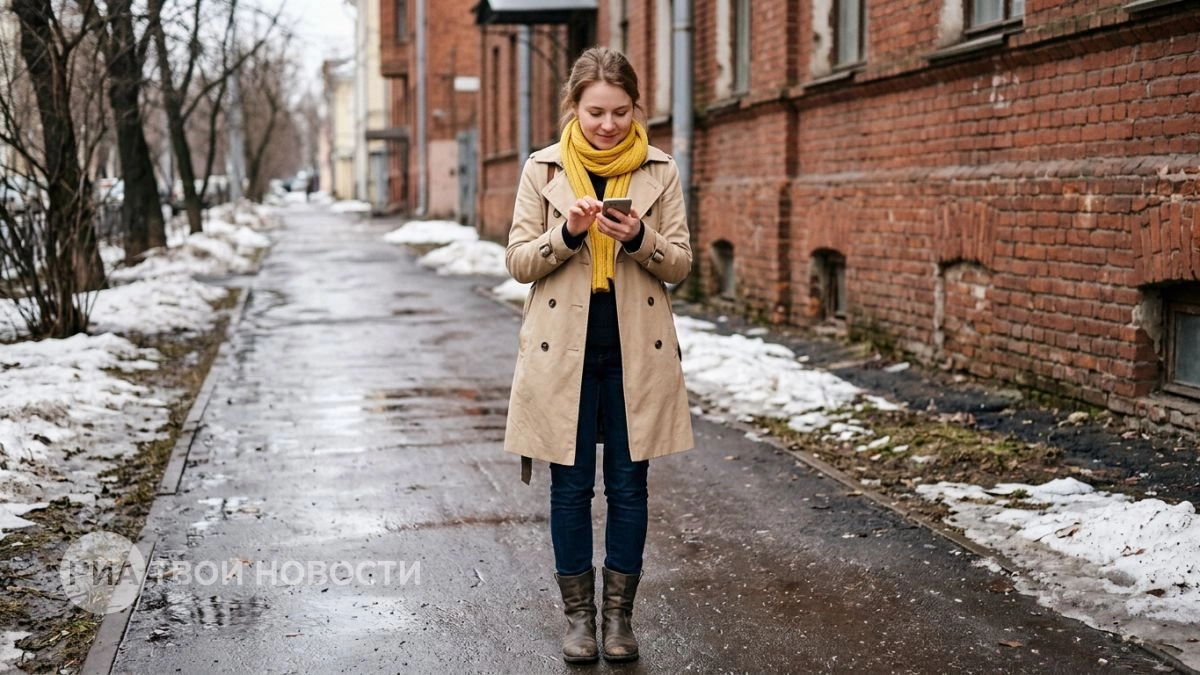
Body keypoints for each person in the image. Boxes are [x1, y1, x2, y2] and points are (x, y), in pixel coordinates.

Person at [503, 46, 694, 664]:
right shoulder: (543, 169)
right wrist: (568, 234)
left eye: (619, 111)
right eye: (595, 112)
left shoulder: (660, 169)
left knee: (630, 487)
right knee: (570, 487)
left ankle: (619, 620)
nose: (608, 124)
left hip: (635, 349)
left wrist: (639, 238)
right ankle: (579, 621)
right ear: (574, 108)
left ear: (636, 108)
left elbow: (681, 264)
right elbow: (518, 262)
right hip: (564, 353)